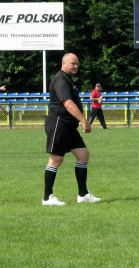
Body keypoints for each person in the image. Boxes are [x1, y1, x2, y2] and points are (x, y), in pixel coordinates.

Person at [42, 53, 101, 206]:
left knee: (83, 154)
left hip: (68, 125)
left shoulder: (68, 79)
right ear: (63, 63)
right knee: (56, 159)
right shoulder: (61, 80)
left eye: (77, 64)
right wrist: (84, 121)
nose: (75, 66)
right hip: (59, 123)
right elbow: (67, 104)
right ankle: (47, 197)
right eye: (72, 63)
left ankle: (83, 194)